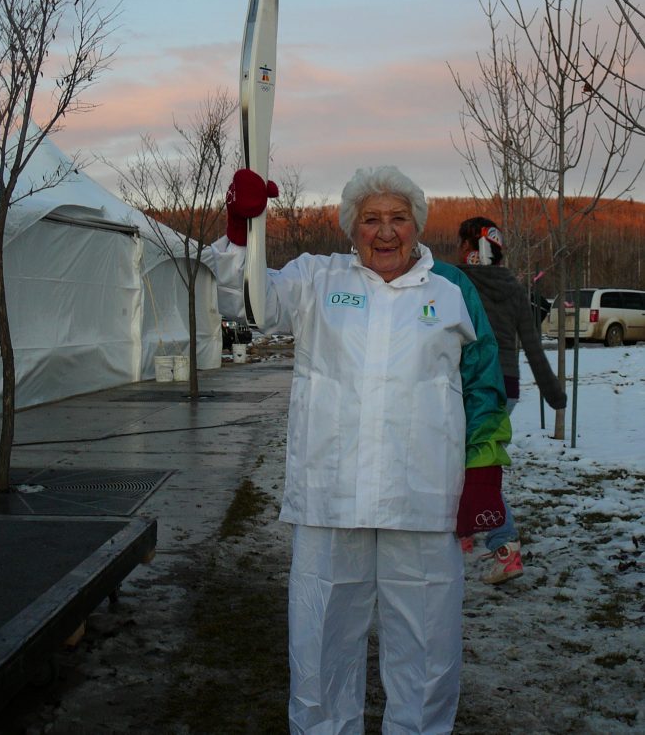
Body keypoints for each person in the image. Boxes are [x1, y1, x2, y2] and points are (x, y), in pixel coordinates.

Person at [204, 167, 512, 734]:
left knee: (425, 652)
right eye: (371, 219)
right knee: (321, 649)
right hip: (331, 496)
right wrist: (241, 232)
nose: (386, 231)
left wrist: (484, 471)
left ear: (417, 225)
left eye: (398, 218)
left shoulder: (450, 291)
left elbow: (484, 382)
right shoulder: (316, 279)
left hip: (422, 501)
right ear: (351, 228)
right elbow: (243, 302)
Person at [457, 216, 567, 585]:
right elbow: (532, 346)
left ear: (465, 249)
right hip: (508, 387)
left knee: (468, 466)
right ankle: (466, 531)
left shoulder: (457, 282)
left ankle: (504, 547)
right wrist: (553, 393)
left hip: (474, 387)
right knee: (474, 462)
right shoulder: (515, 288)